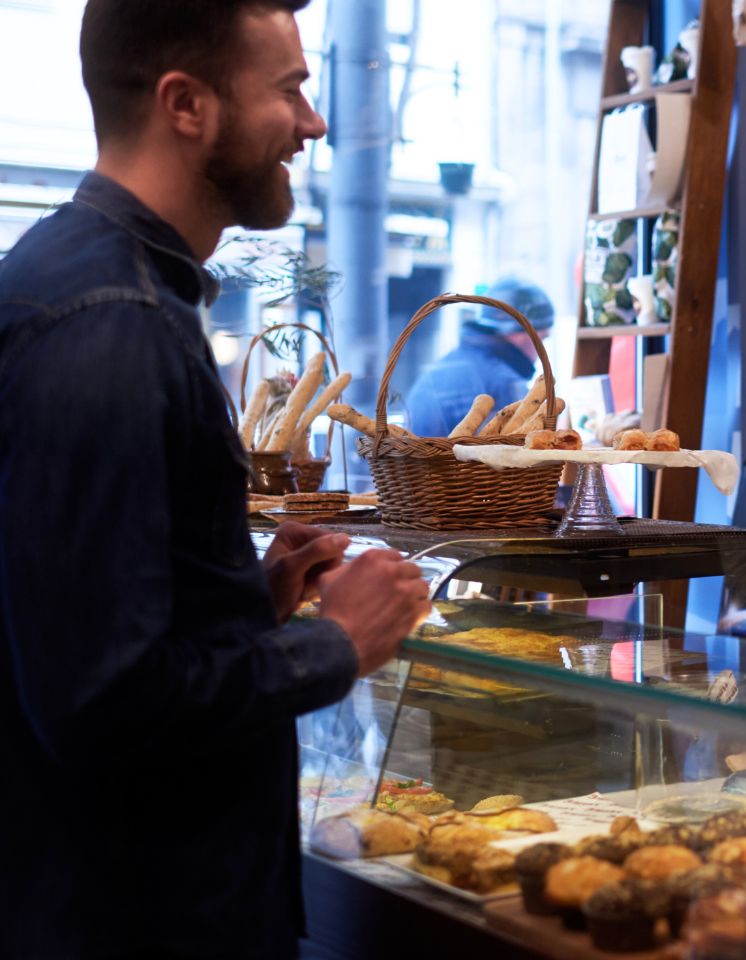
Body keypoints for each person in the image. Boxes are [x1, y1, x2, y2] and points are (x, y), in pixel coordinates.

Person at [0, 2, 431, 956]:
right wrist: (338, 646)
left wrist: (244, 599)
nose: (312, 124)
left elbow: (71, 613)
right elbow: (102, 702)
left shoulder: (82, 280)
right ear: (185, 105)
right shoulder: (109, 321)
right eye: (289, 90)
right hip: (139, 918)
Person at [401, 277, 554, 436]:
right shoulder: (503, 381)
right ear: (519, 333)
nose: (540, 350)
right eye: (541, 338)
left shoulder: (444, 367)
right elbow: (517, 452)